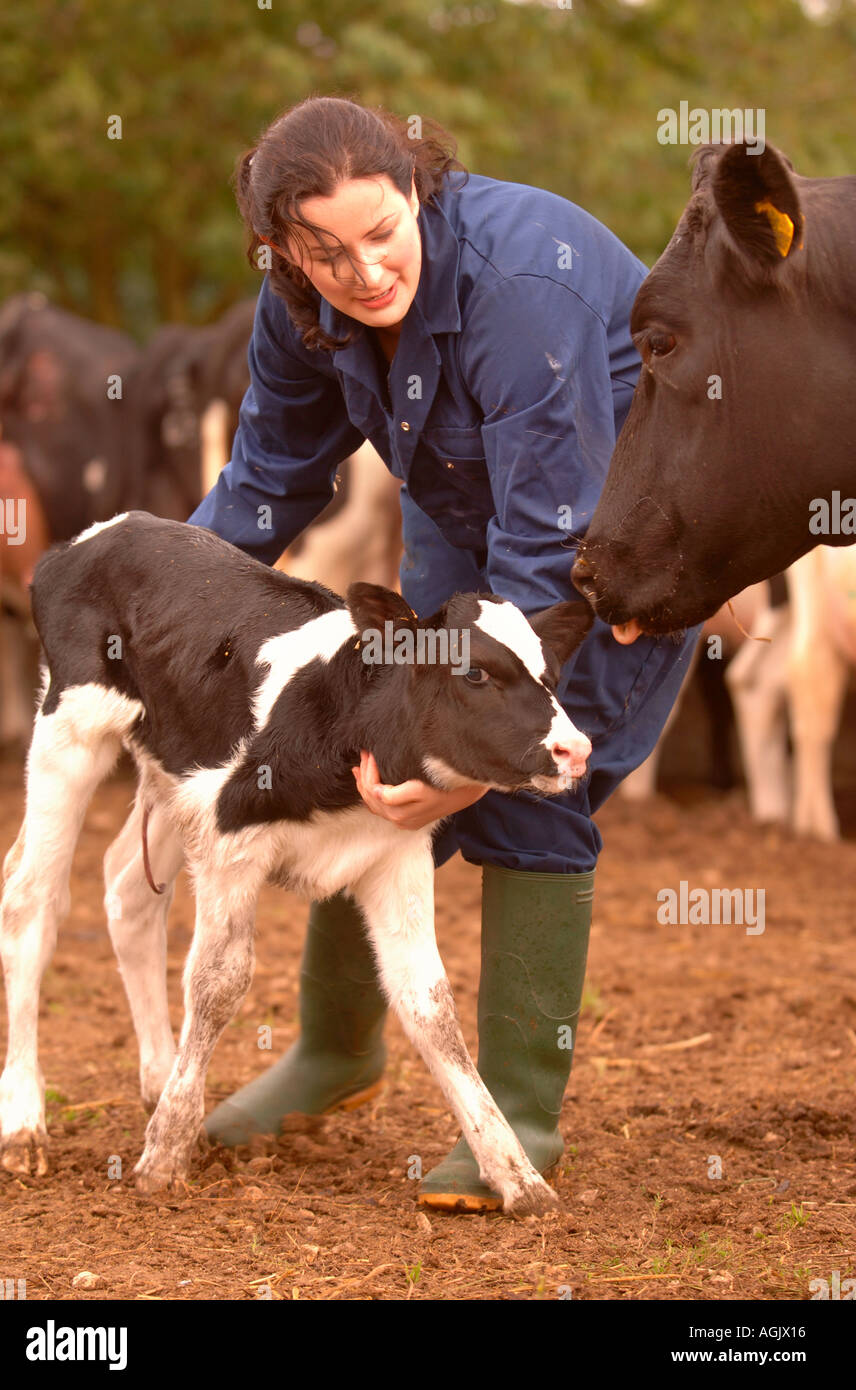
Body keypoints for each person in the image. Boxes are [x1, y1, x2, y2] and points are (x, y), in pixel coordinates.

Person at [188, 94, 701, 1212]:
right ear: (280, 250)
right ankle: (334, 1056)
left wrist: (460, 757)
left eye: (383, 232)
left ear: (417, 189)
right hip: (459, 540)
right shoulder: (298, 306)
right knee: (356, 749)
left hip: (613, 561)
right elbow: (266, 482)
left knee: (526, 782)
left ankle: (518, 1111)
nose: (364, 271)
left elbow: (551, 559)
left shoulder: (522, 290)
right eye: (324, 251)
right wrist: (164, 617)